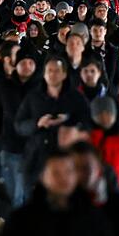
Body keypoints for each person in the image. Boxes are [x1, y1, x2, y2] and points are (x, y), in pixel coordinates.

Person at [14, 56, 92, 194]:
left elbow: (88, 123)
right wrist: (37, 123)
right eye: (49, 71)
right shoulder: (33, 97)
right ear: (44, 74)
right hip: (37, 159)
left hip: (67, 159)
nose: (52, 74)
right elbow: (19, 125)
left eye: (56, 71)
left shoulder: (76, 97)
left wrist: (73, 129)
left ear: (64, 74)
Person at [0, 48, 40, 207]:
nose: (27, 66)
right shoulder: (3, 87)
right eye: (23, 63)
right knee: (14, 197)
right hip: (10, 148)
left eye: (31, 63)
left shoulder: (42, 89)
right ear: (16, 65)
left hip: (36, 151)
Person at [86, 18, 119, 90]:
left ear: (105, 31)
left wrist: (113, 91)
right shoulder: (84, 50)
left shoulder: (114, 52)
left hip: (109, 93)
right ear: (90, 31)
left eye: (101, 30)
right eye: (95, 30)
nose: (98, 33)